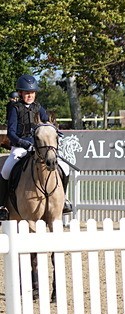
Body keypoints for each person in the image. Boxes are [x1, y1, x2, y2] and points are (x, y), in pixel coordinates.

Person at [1, 74, 72, 214]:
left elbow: (47, 123)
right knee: (5, 170)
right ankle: (2, 206)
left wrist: (55, 131)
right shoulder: (15, 108)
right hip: (20, 148)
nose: (30, 96)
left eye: (32, 93)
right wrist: (24, 144)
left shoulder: (38, 107)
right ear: (21, 93)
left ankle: (63, 200)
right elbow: (11, 133)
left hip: (40, 148)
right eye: (27, 93)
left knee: (65, 167)